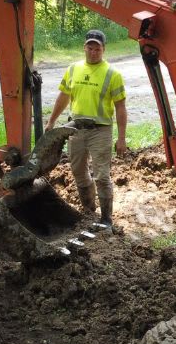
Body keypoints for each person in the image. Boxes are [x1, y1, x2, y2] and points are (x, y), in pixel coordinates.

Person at [46, 29, 127, 226]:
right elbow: (63, 97)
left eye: (97, 48)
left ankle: (106, 218)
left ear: (103, 49)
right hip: (76, 129)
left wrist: (122, 137)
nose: (93, 52)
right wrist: (52, 121)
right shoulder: (73, 69)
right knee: (78, 172)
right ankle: (89, 210)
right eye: (90, 48)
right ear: (84, 48)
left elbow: (120, 107)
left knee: (101, 175)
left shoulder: (112, 74)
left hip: (101, 130)